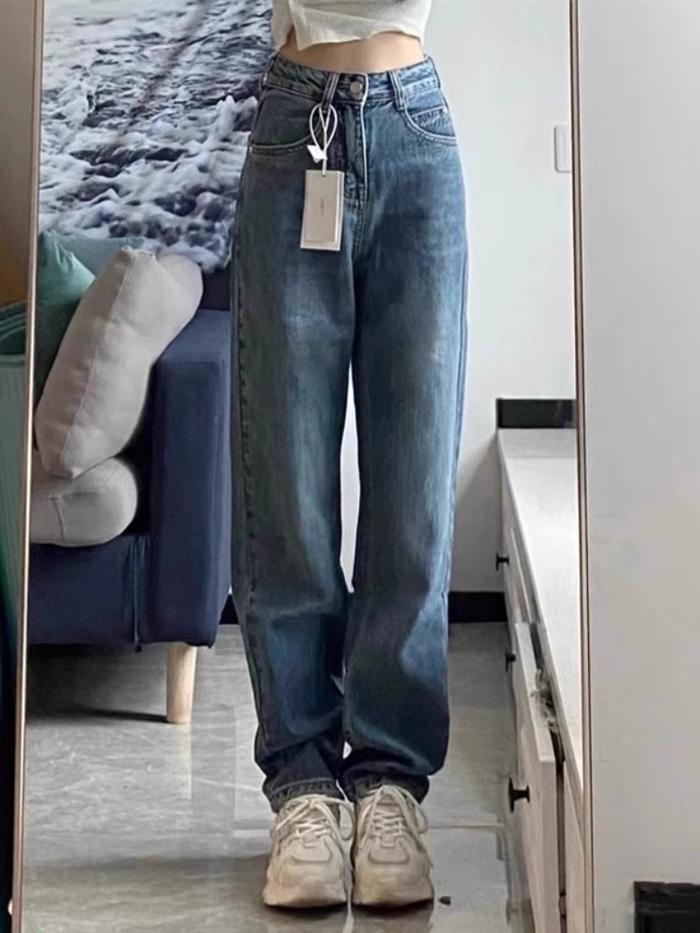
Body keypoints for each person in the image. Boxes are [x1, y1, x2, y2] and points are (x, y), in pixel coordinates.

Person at [230, 0, 468, 910]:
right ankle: (303, 787)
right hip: (295, 129)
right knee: (284, 484)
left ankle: (390, 788)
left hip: (417, 131)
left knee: (415, 491)